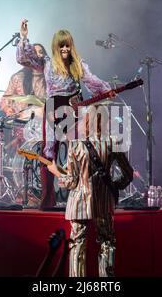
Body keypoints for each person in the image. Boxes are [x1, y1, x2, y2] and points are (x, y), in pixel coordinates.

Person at [16, 19, 115, 209]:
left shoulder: (78, 64)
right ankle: (47, 201)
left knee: (80, 152)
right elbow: (24, 59)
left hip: (74, 112)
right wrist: (24, 37)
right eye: (61, 45)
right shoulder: (46, 63)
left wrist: (107, 90)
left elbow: (92, 81)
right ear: (55, 46)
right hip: (53, 112)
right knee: (48, 154)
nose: (64, 48)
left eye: (67, 45)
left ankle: (82, 197)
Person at [47, 106, 133, 277]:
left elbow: (71, 181)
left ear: (86, 121)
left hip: (79, 201)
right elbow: (128, 174)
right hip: (103, 202)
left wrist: (56, 172)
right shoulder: (113, 142)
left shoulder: (76, 145)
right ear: (106, 120)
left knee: (77, 243)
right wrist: (114, 186)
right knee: (107, 242)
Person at [0, 43, 47, 150]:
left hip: (43, 127)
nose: (39, 55)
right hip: (20, 127)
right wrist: (9, 111)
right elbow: (5, 100)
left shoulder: (50, 78)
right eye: (35, 53)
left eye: (41, 52)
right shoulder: (18, 77)